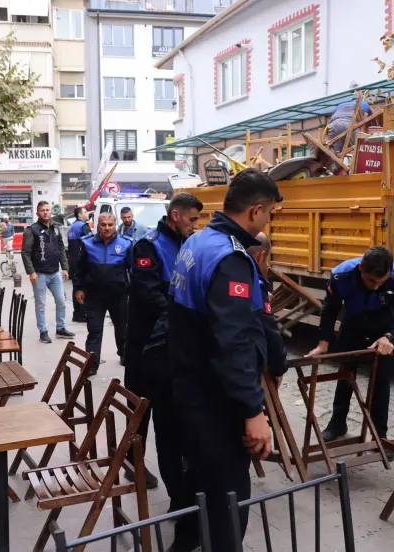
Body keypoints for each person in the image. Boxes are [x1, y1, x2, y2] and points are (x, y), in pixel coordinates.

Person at [168, 168, 282, 551]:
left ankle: (185, 543)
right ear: (254, 211)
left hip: (190, 390)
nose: (268, 220)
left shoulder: (197, 242)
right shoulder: (230, 259)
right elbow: (232, 343)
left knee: (198, 481)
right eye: (269, 213)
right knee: (228, 496)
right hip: (217, 401)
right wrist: (253, 411)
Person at [123, 193, 203, 500]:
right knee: (141, 409)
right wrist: (183, 317)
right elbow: (149, 294)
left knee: (170, 412)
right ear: (175, 216)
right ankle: (133, 459)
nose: (195, 225)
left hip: (173, 344)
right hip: (146, 345)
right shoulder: (149, 244)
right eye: (192, 219)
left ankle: (180, 472)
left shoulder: (188, 244)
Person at [307, 246, 394, 459]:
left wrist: (390, 337)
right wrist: (323, 343)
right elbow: (330, 309)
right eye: (371, 281)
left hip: (383, 326)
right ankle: (337, 424)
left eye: (381, 283)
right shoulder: (342, 275)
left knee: (381, 381)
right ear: (360, 268)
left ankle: (379, 436)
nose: (376, 287)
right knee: (345, 374)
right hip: (353, 323)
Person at [74, 212, 131, 375]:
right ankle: (92, 364)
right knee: (94, 330)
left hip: (118, 295)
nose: (107, 228)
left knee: (122, 329)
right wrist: (79, 288)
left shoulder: (126, 244)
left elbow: (132, 270)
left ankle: (125, 356)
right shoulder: (87, 244)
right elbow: (80, 269)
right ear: (97, 225)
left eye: (110, 225)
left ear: (115, 225)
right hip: (94, 296)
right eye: (103, 224)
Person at [21, 201, 75, 344]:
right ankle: (43, 331)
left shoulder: (56, 228)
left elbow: (61, 249)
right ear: (37, 213)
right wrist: (31, 272)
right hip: (39, 274)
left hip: (55, 272)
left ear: (51, 211)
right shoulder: (31, 230)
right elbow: (25, 253)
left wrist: (64, 267)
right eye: (42, 210)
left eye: (47, 210)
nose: (45, 212)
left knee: (62, 302)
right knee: (41, 304)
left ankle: (61, 328)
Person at [247, 232, 288, 380]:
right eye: (267, 261)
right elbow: (270, 334)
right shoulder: (255, 285)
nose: (267, 267)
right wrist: (280, 368)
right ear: (261, 256)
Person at [67, 207, 92, 323]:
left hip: (72, 261)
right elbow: (90, 244)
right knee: (84, 287)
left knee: (76, 287)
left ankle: (76, 314)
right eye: (85, 212)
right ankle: (83, 314)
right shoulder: (83, 227)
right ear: (79, 215)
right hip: (81, 262)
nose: (87, 214)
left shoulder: (72, 227)